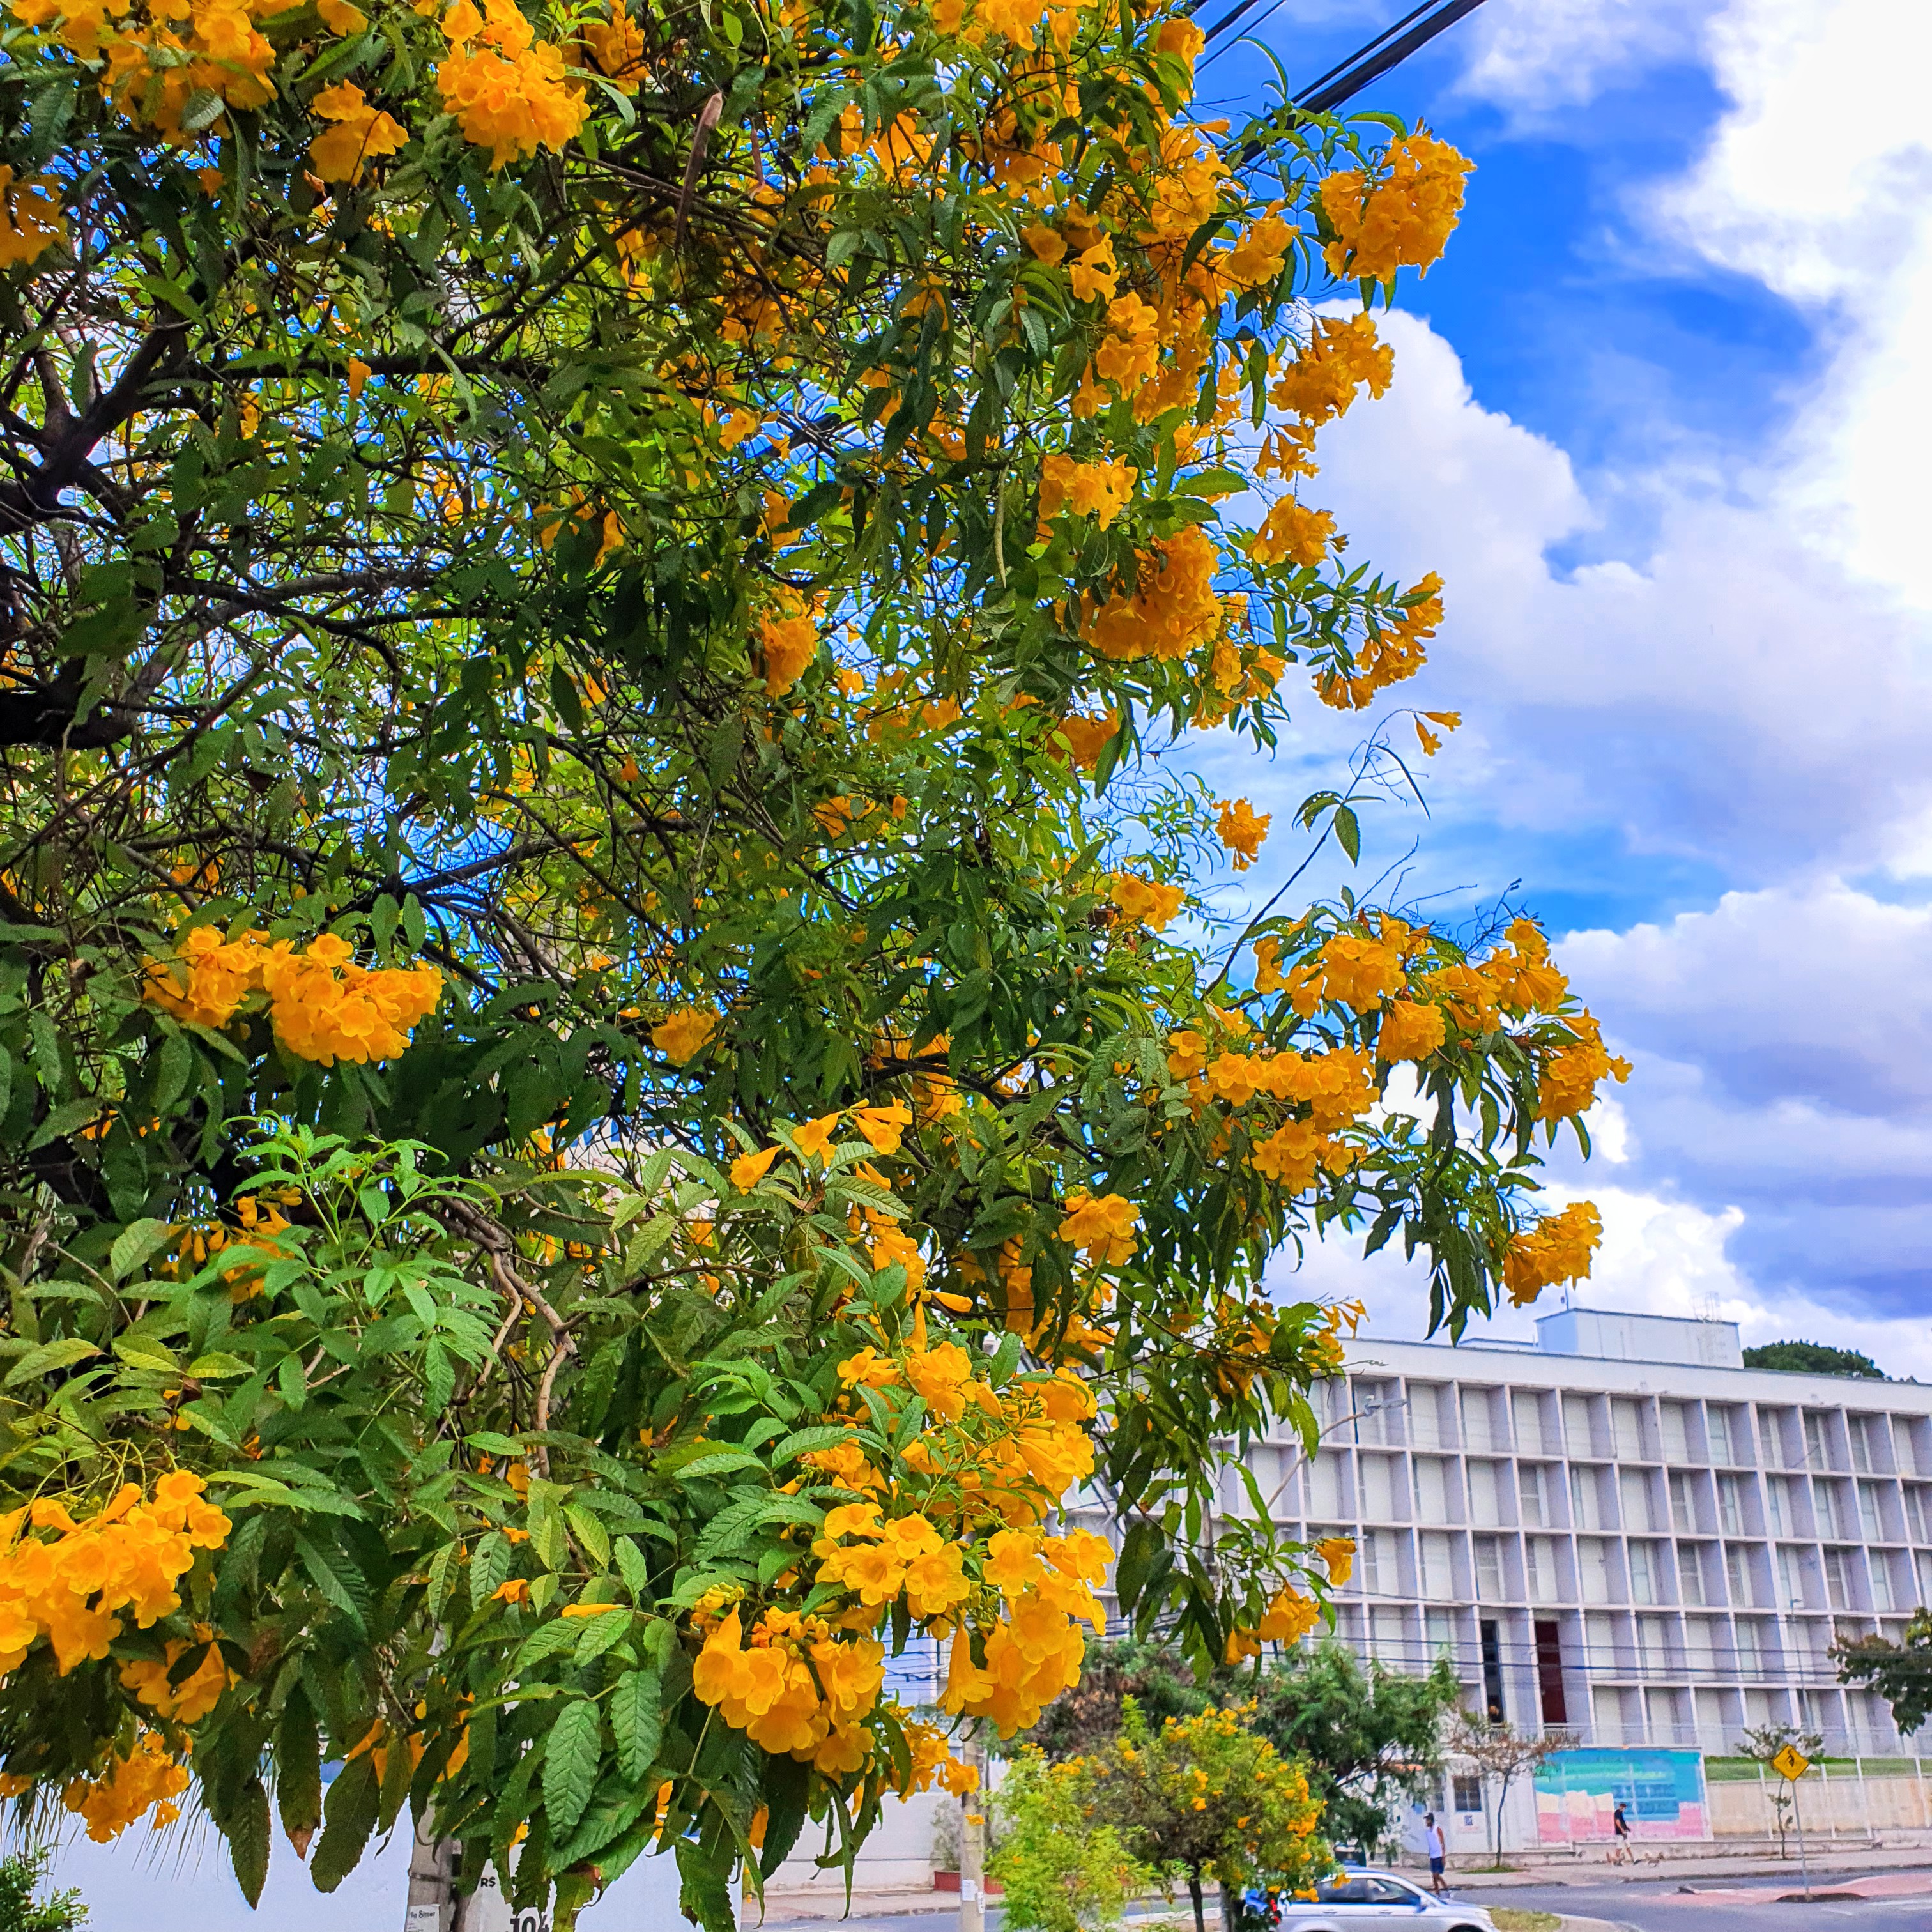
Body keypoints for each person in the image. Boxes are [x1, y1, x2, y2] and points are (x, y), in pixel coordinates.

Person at [1423, 1813, 1447, 1894]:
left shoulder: (1437, 1829)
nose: (1426, 1822)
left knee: (1436, 1875)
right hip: (1433, 1856)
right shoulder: (1428, 1831)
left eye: (1428, 1820)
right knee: (1434, 1876)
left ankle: (1446, 1888)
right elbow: (1431, 1843)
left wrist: (1443, 1855)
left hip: (1439, 1855)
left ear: (1431, 1820)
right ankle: (1437, 1893)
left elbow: (1442, 1842)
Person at [1609, 1800, 1632, 1865]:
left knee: (1628, 1846)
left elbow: (1622, 1822)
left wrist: (1627, 1828)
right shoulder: (1617, 1812)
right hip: (1620, 1833)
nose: (1623, 1809)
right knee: (1619, 1848)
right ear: (1621, 1807)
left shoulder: (1621, 1813)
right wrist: (1622, 1830)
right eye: (1623, 1808)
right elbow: (1617, 1822)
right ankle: (1617, 1860)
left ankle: (1633, 1859)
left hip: (1623, 1833)